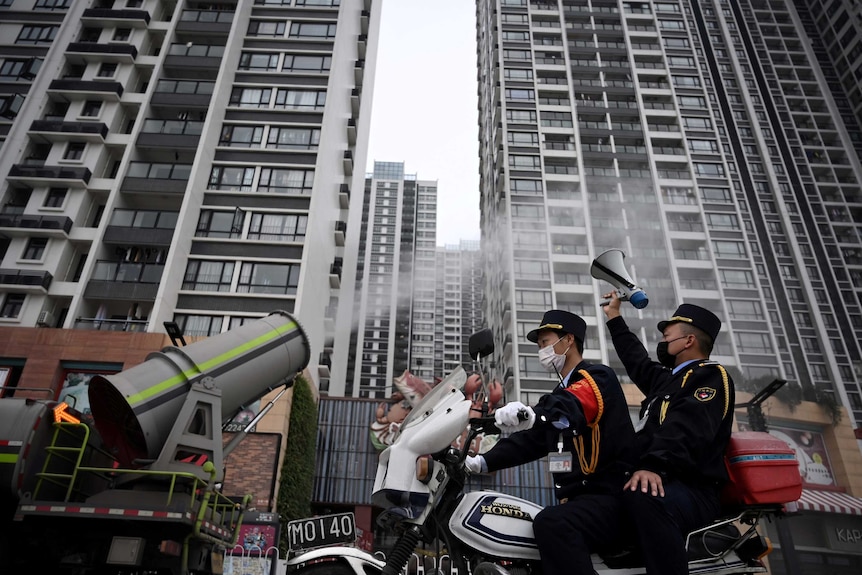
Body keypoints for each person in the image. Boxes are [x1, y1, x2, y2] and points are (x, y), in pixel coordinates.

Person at [465, 309, 636, 575]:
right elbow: (531, 441)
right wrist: (481, 461)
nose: (541, 350)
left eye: (545, 342)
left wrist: (535, 413)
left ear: (568, 340)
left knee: (552, 523)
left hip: (612, 497)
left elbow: (573, 404)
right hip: (584, 503)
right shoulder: (562, 393)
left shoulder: (596, 378)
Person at [602, 293, 735, 575]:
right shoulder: (668, 380)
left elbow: (687, 427)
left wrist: (653, 465)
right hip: (663, 478)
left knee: (644, 496)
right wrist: (614, 317)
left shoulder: (709, 375)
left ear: (688, 341)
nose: (662, 342)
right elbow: (636, 360)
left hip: (692, 488)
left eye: (667, 336)